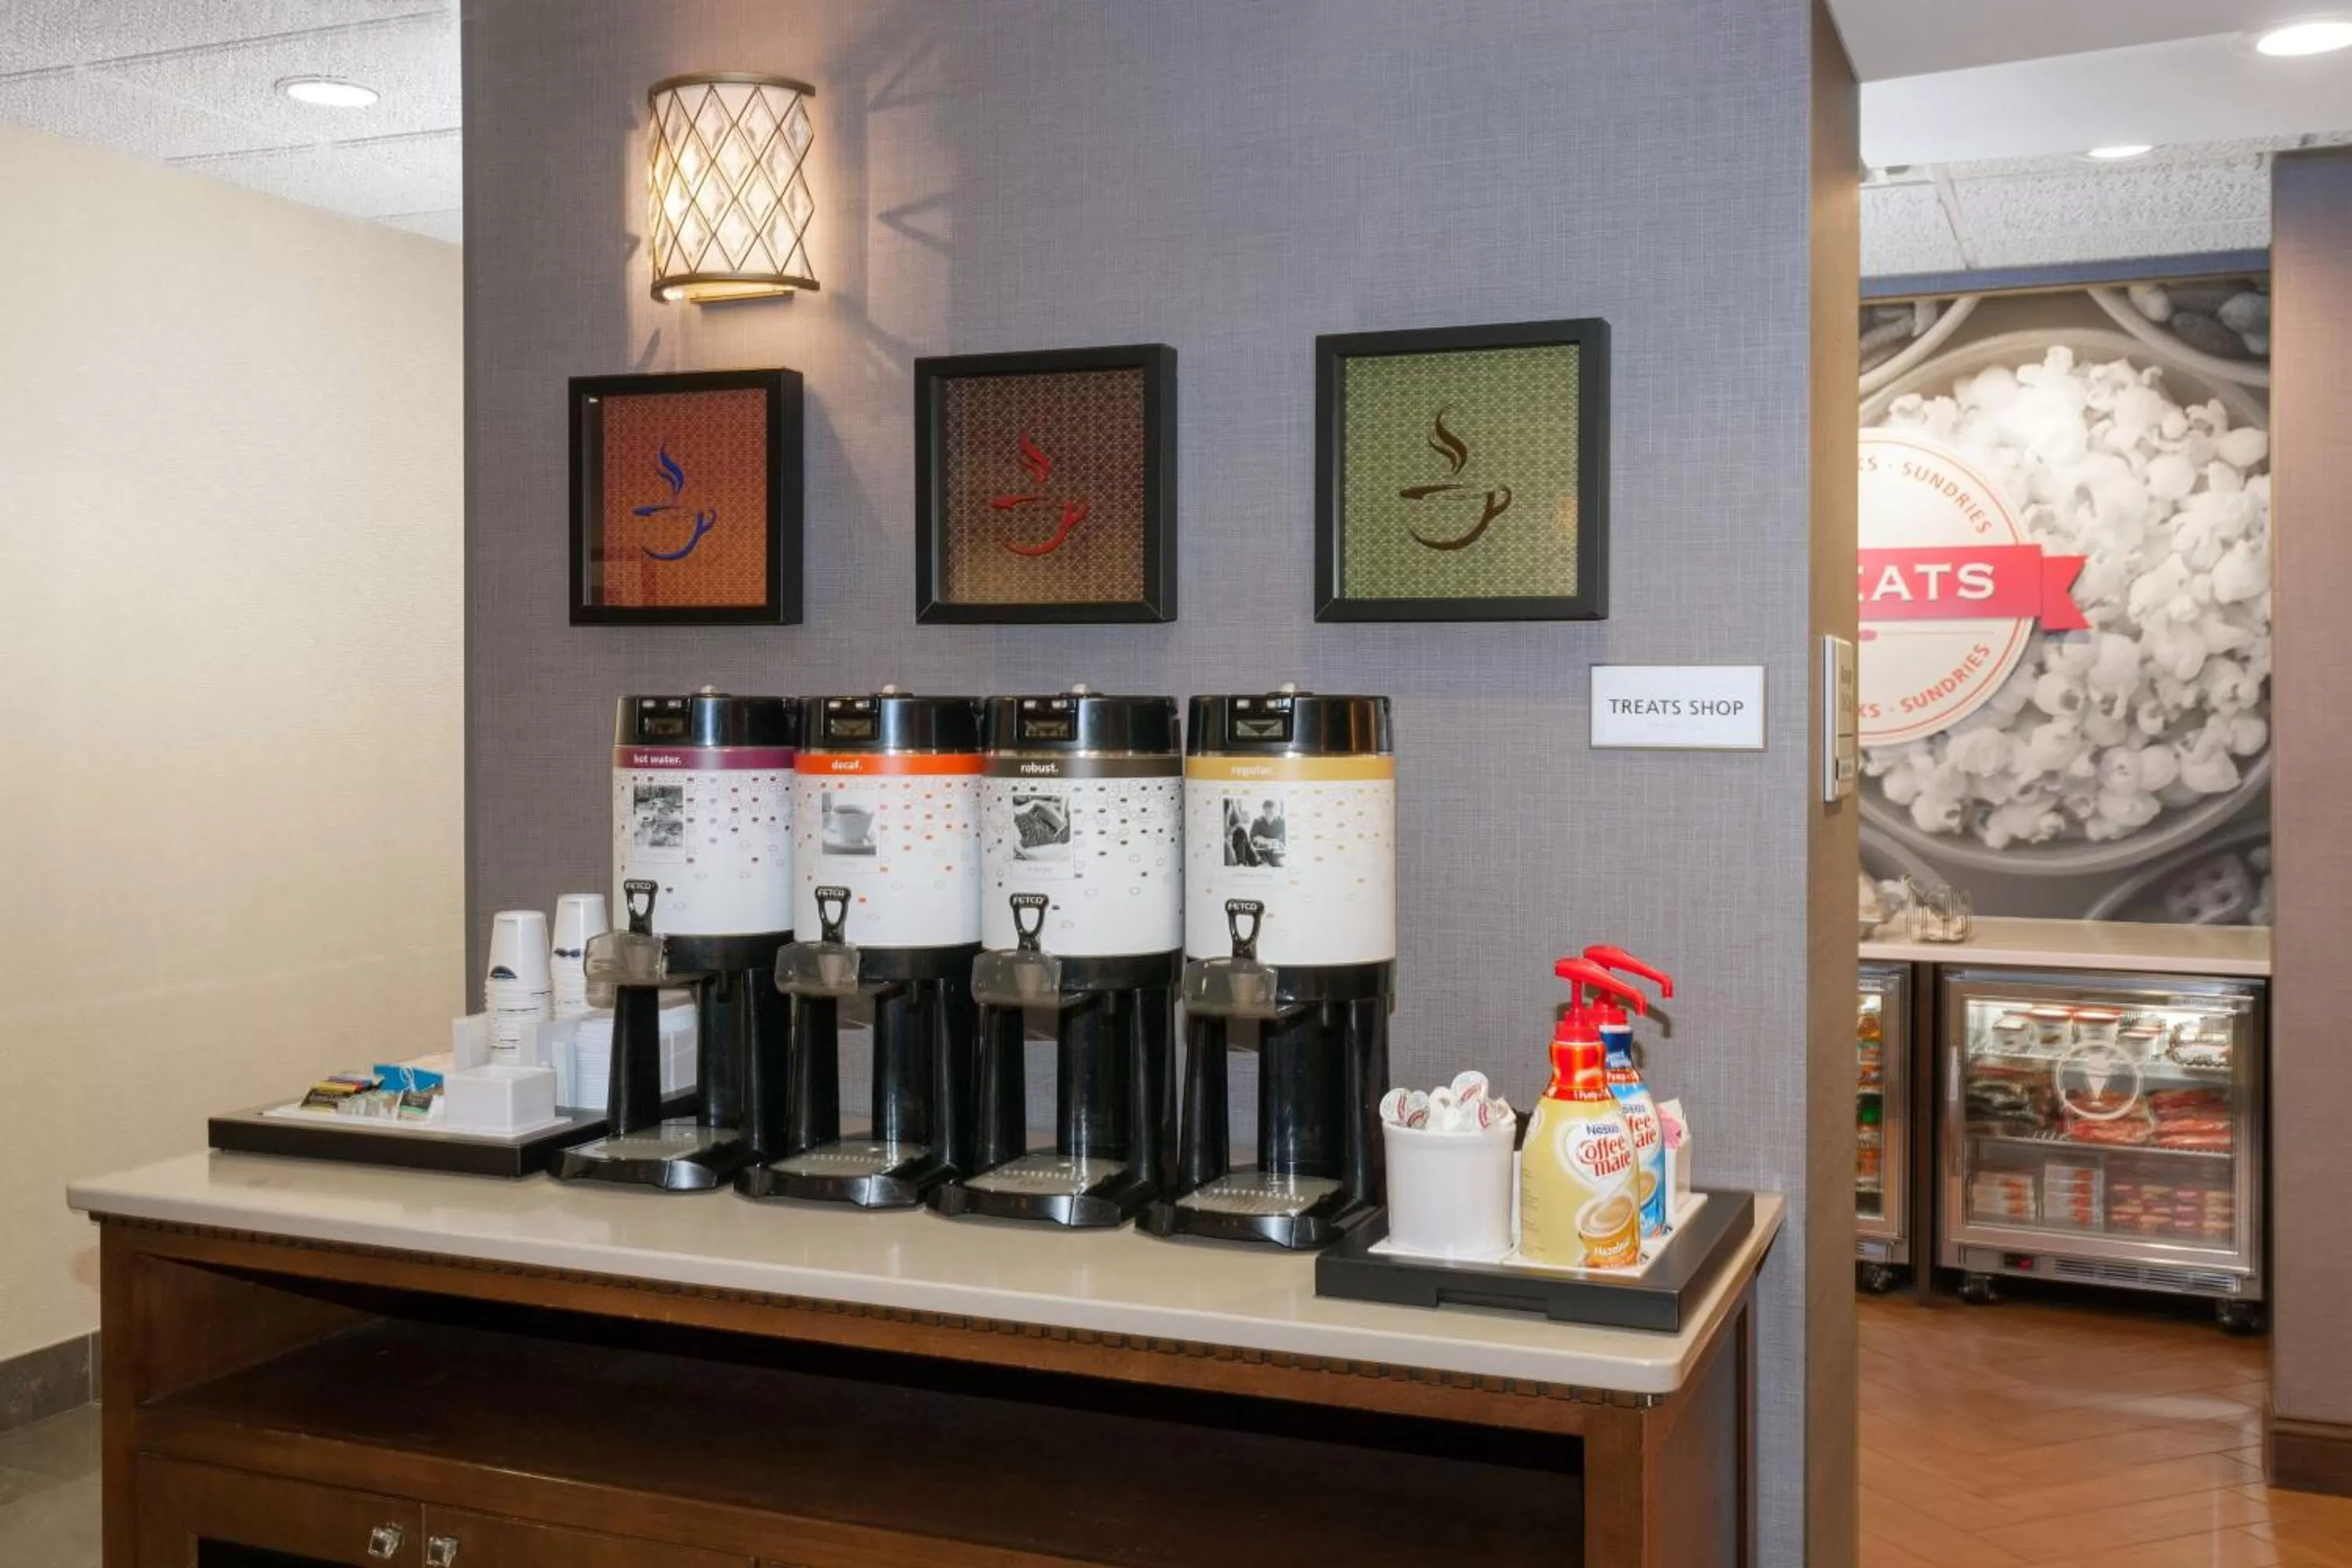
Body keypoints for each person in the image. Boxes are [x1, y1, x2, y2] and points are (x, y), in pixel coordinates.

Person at [1247, 798, 1286, 867]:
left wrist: (1276, 842)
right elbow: (1252, 837)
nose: (1268, 815)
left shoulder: (1282, 822)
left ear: (1276, 810)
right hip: (1262, 852)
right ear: (1263, 810)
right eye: (1266, 812)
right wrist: (1266, 841)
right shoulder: (1258, 821)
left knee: (1280, 865)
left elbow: (1285, 840)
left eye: (1271, 812)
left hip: (1278, 853)